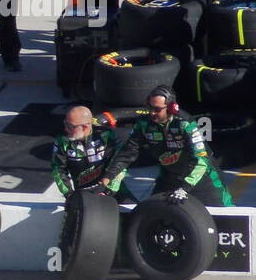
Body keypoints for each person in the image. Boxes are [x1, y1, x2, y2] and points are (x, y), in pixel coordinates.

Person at [102, 85, 233, 205]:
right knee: (151, 213)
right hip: (170, 177)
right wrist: (108, 181)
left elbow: (200, 160)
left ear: (170, 107)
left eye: (157, 109)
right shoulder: (144, 124)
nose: (152, 113)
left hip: (203, 179)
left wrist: (184, 188)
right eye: (149, 108)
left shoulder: (185, 123)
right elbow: (126, 155)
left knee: (226, 216)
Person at [51, 105, 136, 203]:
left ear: (85, 127)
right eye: (65, 124)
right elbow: (58, 169)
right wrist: (69, 194)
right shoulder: (62, 140)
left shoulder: (106, 135)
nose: (66, 129)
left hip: (114, 189)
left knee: (133, 212)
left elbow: (120, 163)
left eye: (70, 126)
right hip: (83, 194)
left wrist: (109, 191)